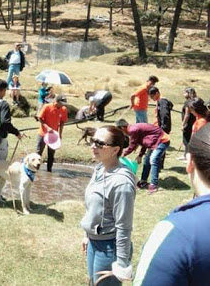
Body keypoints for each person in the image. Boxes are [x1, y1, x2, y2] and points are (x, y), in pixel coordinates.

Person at [133, 124, 210, 285]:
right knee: (149, 158)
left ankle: (153, 183)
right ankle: (144, 180)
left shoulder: (177, 230)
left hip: (162, 142)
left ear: (189, 163)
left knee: (153, 159)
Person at [81, 126, 136, 286]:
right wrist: (87, 234)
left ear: (115, 150)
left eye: (100, 143)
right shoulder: (99, 169)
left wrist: (122, 262)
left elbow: (124, 227)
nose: (93, 146)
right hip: (94, 241)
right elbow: (92, 207)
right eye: (93, 141)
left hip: (109, 247)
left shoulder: (121, 183)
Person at [116, 119, 169, 194]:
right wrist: (140, 155)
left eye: (121, 132)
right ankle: (143, 181)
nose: (123, 134)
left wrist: (123, 154)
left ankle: (154, 185)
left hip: (162, 140)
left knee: (153, 160)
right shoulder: (134, 128)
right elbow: (145, 141)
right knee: (146, 160)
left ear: (122, 128)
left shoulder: (132, 130)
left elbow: (132, 145)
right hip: (154, 141)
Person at [36, 94, 69, 172]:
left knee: (51, 154)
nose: (62, 106)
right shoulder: (47, 107)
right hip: (43, 133)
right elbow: (40, 118)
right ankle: (35, 170)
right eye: (61, 103)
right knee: (38, 152)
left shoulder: (63, 109)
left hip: (54, 135)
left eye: (64, 104)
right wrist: (47, 127)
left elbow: (62, 122)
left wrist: (60, 134)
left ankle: (49, 170)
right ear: (56, 101)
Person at [180, 87, 197, 159]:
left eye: (185, 93)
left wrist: (183, 124)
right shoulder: (195, 101)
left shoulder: (188, 102)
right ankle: (185, 155)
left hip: (188, 123)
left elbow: (187, 114)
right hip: (194, 122)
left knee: (186, 140)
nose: (183, 94)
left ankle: (188, 157)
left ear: (188, 93)